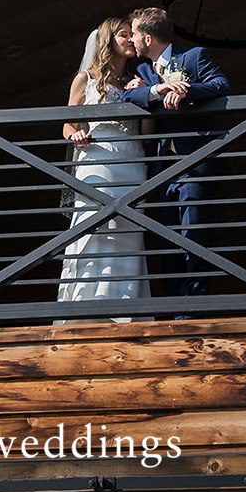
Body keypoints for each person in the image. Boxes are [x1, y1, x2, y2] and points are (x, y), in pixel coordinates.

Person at [123, 7, 230, 303]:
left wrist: (186, 90)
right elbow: (125, 96)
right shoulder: (144, 71)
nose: (131, 40)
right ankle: (173, 308)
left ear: (147, 38)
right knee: (166, 240)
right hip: (163, 169)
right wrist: (157, 90)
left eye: (133, 34)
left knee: (194, 236)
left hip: (194, 163)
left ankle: (194, 310)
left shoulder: (193, 56)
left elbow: (221, 85)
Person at [56, 17, 151, 317]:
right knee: (93, 227)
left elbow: (148, 132)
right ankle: (85, 304)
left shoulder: (135, 81)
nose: (129, 40)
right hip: (97, 160)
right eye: (123, 35)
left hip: (132, 162)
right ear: (108, 40)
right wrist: (76, 135)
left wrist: (147, 94)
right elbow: (67, 125)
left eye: (130, 35)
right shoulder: (86, 79)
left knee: (128, 230)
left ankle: (126, 307)